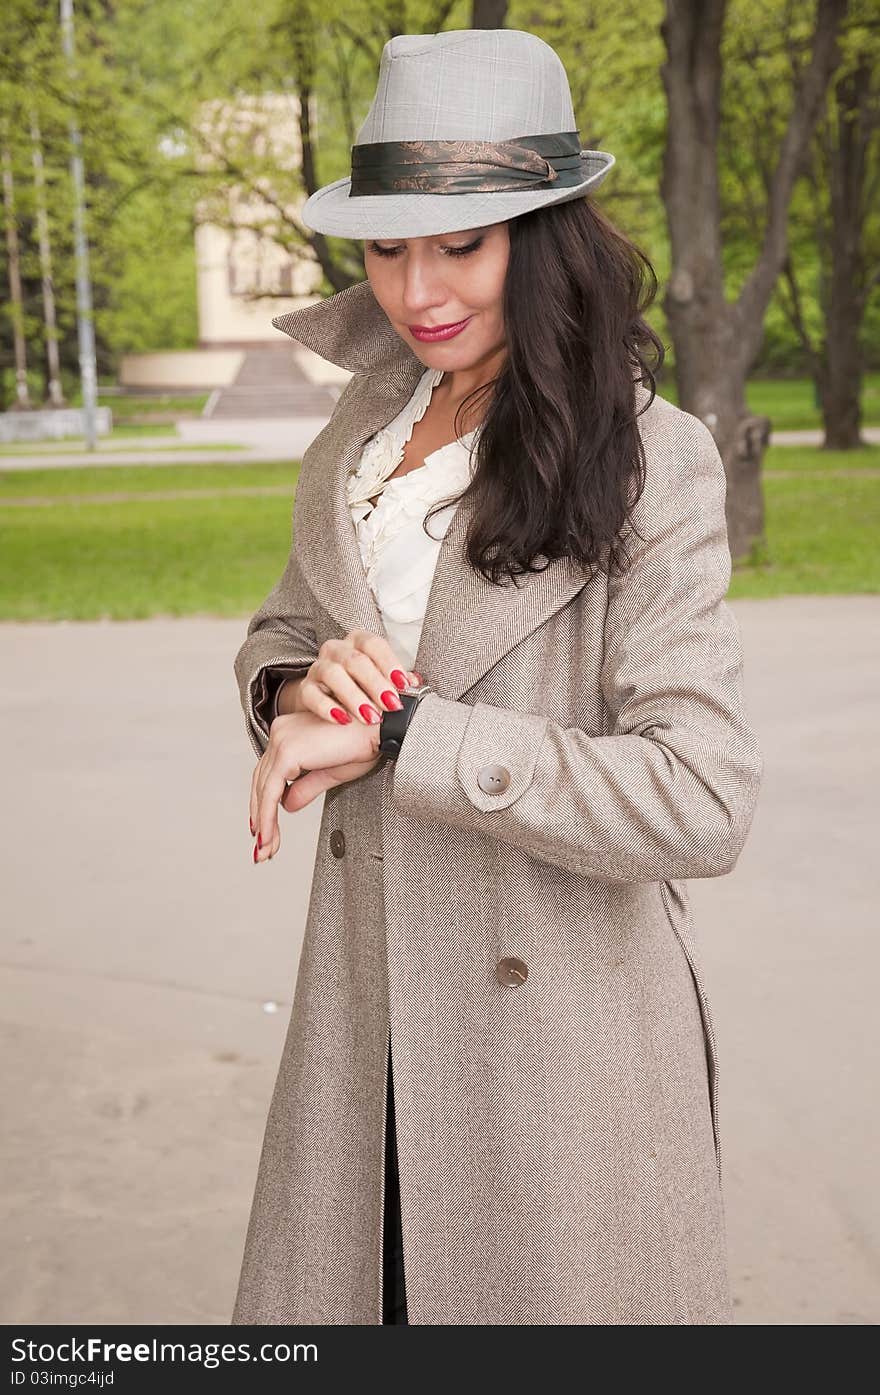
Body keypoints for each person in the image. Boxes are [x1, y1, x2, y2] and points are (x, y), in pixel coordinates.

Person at [231, 28, 764, 1326]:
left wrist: (411, 735)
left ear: (545, 232)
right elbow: (284, 630)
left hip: (554, 1058)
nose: (420, 289)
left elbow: (703, 799)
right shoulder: (366, 424)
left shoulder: (650, 459)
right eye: (389, 243)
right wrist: (300, 692)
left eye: (460, 242)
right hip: (365, 1031)